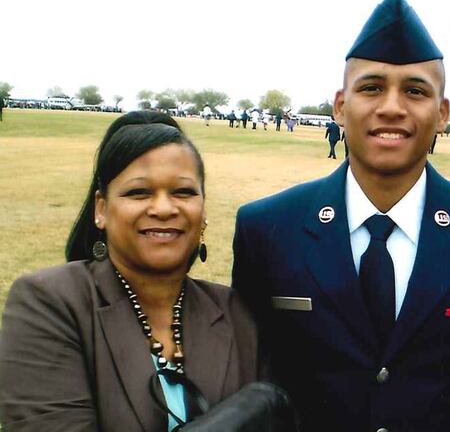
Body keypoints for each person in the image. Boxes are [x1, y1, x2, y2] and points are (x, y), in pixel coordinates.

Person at [231, 0, 450, 431]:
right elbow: (255, 378)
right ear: (339, 105)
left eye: (414, 90)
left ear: (442, 113)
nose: (391, 107)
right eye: (371, 87)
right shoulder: (268, 230)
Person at [0, 111, 264, 431]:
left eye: (183, 192)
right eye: (138, 192)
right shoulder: (50, 303)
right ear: (101, 209)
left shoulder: (235, 312)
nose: (164, 208)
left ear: (203, 210)